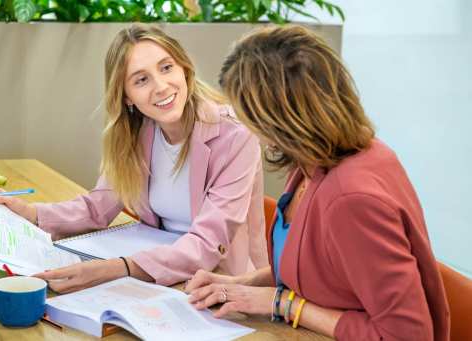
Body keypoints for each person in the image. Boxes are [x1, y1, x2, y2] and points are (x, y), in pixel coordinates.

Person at [186, 25, 450, 341]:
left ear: (279, 119)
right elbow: (323, 267)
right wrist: (243, 284)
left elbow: (408, 334)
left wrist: (282, 303)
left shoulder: (352, 197)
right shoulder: (316, 160)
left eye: (246, 115)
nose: (241, 123)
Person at [0, 23, 268, 292]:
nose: (160, 86)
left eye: (166, 67)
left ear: (185, 69)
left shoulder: (236, 136)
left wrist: (117, 268)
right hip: (156, 276)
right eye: (141, 79)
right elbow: (98, 207)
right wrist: (32, 214)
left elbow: (209, 243)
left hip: (222, 284)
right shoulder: (137, 133)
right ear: (127, 97)